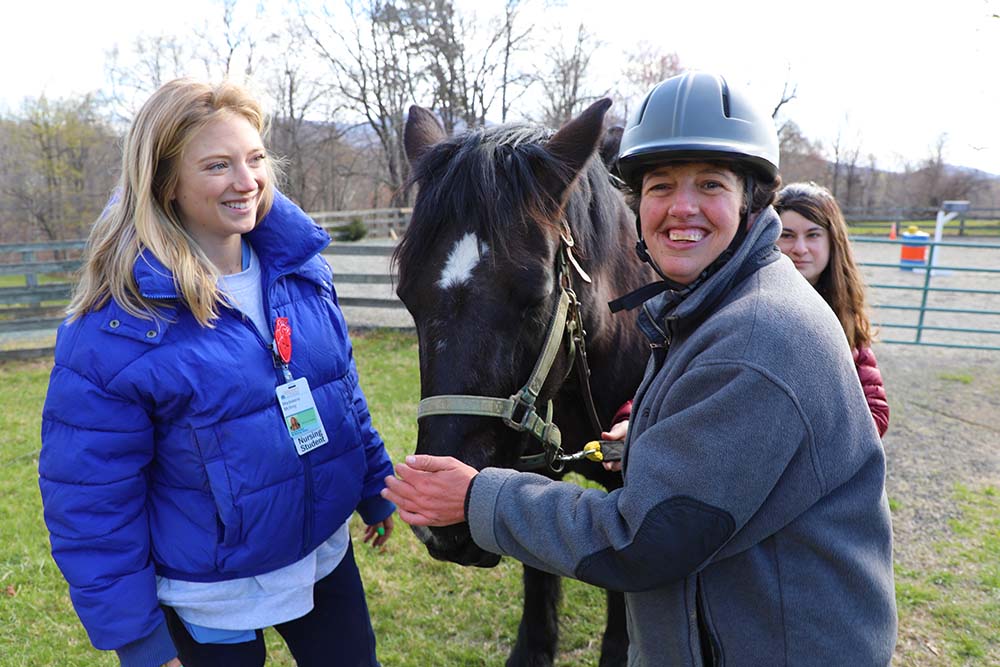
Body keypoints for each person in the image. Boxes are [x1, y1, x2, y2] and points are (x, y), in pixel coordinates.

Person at [382, 72, 897, 665]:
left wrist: (476, 498)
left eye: (709, 184)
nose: (681, 208)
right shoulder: (706, 304)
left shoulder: (758, 335)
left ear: (751, 199)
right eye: (660, 185)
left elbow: (646, 538)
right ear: (637, 201)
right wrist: (653, 435)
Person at [38, 79, 395, 667]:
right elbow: (90, 500)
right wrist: (140, 640)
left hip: (321, 555)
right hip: (212, 592)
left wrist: (373, 486)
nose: (247, 181)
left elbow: (340, 393)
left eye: (254, 158)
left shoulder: (301, 273)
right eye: (216, 165)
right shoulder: (117, 327)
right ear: (166, 183)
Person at [774, 181, 889, 436]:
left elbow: (876, 413)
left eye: (813, 235)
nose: (800, 249)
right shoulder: (748, 307)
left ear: (832, 240)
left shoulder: (843, 314)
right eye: (787, 235)